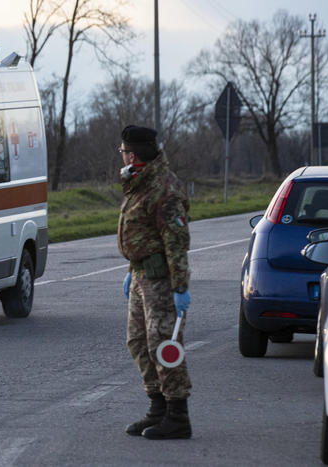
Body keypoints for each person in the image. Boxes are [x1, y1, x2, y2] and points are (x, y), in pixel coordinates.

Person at [117, 125, 193, 440]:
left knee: (163, 343)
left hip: (160, 278)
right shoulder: (140, 182)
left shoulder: (164, 187)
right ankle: (157, 408)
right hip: (140, 274)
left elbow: (175, 240)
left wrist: (180, 287)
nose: (121, 156)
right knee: (137, 341)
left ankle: (178, 416)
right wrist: (132, 267)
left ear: (133, 154)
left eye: (123, 151)